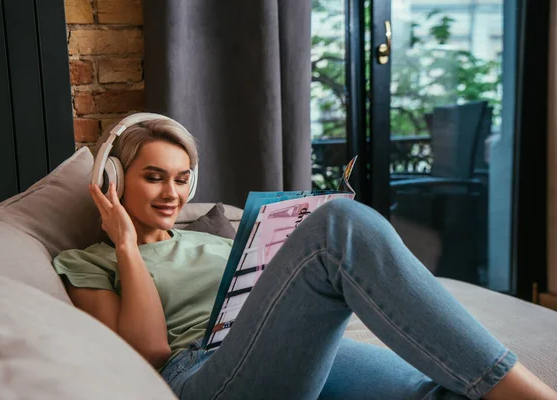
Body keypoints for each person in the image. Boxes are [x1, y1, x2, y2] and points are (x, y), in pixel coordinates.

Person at [52, 116, 557, 400]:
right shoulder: (91, 261)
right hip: (201, 375)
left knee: (444, 393)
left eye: (182, 179)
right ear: (114, 181)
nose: (172, 194)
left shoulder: (216, 242)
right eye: (154, 176)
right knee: (340, 225)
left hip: (282, 351)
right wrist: (125, 245)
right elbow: (149, 353)